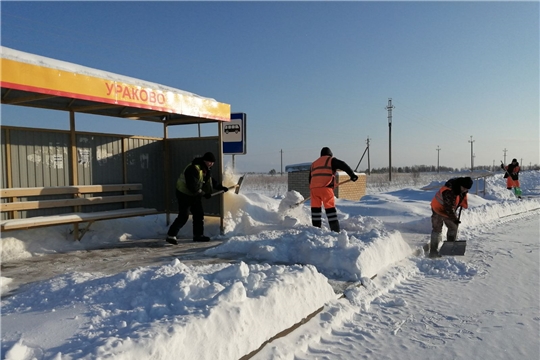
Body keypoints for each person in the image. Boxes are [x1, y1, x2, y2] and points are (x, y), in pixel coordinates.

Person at [166, 152, 229, 244]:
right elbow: (192, 186)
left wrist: (221, 187)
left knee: (199, 214)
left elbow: (210, 181)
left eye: (212, 162)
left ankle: (198, 235)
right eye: (209, 162)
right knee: (184, 215)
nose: (211, 164)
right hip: (184, 193)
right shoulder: (193, 168)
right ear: (204, 160)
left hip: (194, 194)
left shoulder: (206, 169)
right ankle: (171, 235)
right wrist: (204, 194)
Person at [308, 147, 358, 233]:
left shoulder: (314, 163)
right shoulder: (330, 160)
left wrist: (315, 187)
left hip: (314, 190)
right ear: (330, 154)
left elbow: (310, 178)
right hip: (326, 189)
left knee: (315, 211)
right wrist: (352, 175)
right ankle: (335, 231)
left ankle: (315, 230)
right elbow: (342, 164)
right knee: (330, 210)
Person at [429, 176, 473, 257]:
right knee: (437, 229)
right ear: (460, 185)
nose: (465, 190)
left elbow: (456, 202)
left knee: (453, 227)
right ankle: (433, 251)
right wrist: (455, 219)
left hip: (447, 210)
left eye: (467, 189)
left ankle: (449, 247)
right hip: (438, 208)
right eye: (464, 188)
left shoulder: (460, 189)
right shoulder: (449, 191)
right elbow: (448, 208)